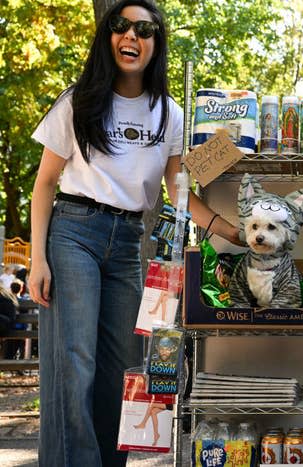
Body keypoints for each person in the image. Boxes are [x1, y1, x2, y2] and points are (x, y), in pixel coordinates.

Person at [27, 1, 242, 465]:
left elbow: (177, 190)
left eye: (144, 30)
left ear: (155, 43)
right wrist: (37, 260)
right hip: (73, 233)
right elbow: (43, 185)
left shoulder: (170, 113)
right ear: (109, 38)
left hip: (128, 243)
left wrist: (230, 230)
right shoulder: (77, 100)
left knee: (120, 371)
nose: (132, 37)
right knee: (75, 365)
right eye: (122, 27)